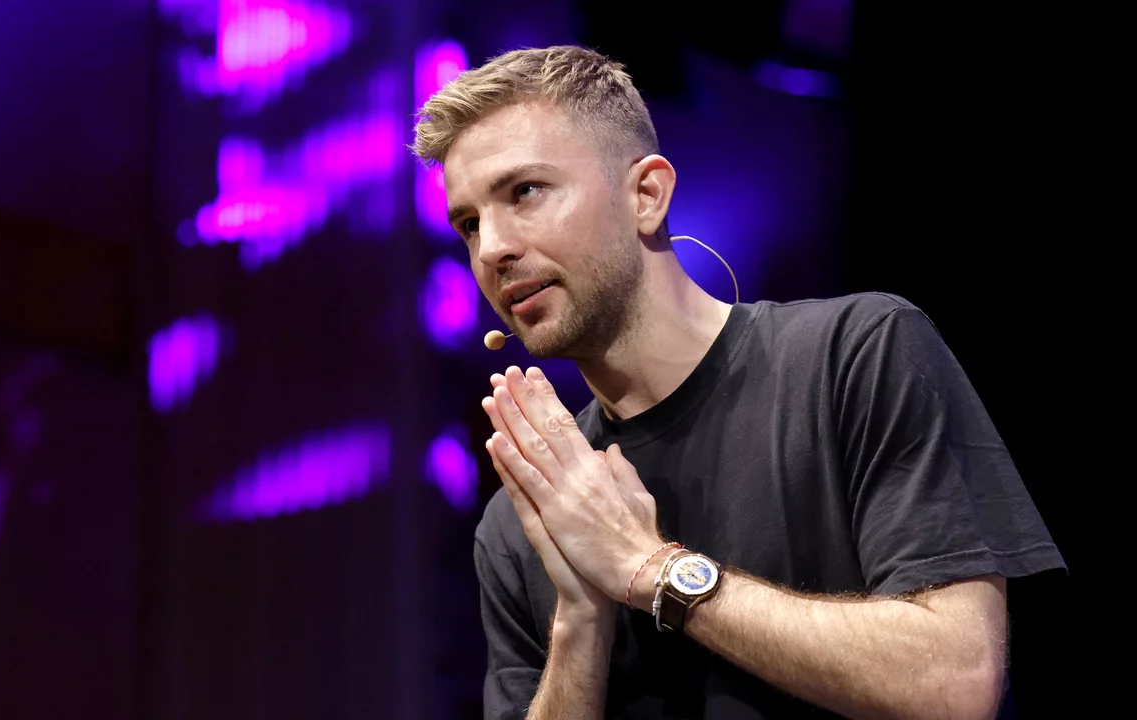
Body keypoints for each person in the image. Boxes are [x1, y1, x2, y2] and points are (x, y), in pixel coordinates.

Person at [410, 45, 1065, 720]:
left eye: (525, 192)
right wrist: (580, 620)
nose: (490, 249)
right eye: (469, 223)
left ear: (647, 194)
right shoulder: (523, 520)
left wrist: (653, 568)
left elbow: (955, 687)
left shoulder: (854, 356)